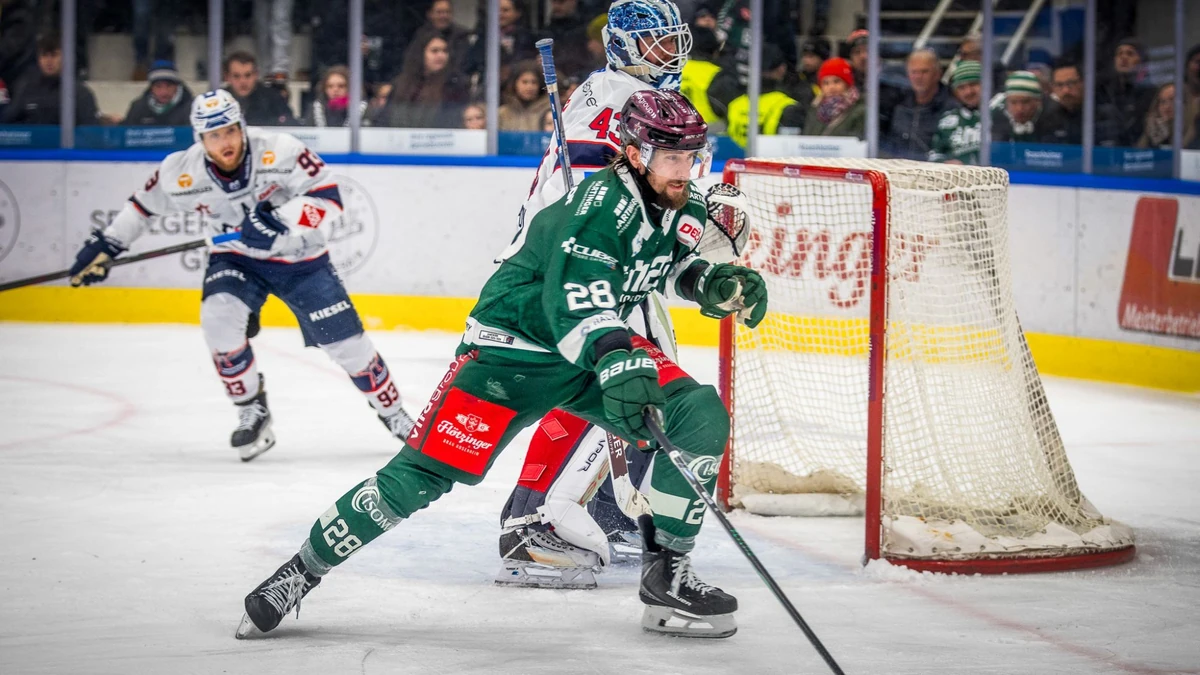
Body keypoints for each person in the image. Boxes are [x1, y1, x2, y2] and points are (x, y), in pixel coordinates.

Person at [236, 88, 767, 641]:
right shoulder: (598, 209)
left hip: (586, 346)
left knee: (697, 414)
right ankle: (297, 574)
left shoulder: (680, 203)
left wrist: (710, 281)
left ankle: (668, 579)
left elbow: (657, 263)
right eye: (670, 157)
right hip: (510, 353)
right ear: (634, 153)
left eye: (690, 157)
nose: (684, 170)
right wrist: (615, 359)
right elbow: (574, 297)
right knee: (418, 478)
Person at [67, 91, 416, 461]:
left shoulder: (280, 150)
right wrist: (106, 246)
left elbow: (330, 197)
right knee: (217, 321)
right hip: (237, 259)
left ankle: (393, 411)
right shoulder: (179, 171)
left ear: (242, 128)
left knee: (347, 344)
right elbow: (142, 207)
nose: (225, 142)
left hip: (301, 258)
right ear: (199, 139)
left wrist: (280, 222)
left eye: (231, 131)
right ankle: (252, 408)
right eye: (214, 136)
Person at [493, 0, 708, 589]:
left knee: (644, 386)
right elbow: (594, 197)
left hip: (596, 263)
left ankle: (607, 507)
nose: (673, 56)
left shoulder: (620, 95)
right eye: (658, 46)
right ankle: (533, 521)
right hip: (579, 268)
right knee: (618, 378)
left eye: (675, 42)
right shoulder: (616, 97)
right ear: (625, 48)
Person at [1, 33, 100, 126]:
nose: (48, 61)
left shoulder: (80, 93)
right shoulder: (26, 88)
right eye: (44, 55)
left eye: (54, 55)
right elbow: (8, 120)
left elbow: (90, 133)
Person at [375, 34, 469, 128]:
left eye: (445, 51)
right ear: (420, 54)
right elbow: (384, 118)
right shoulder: (402, 83)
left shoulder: (454, 84)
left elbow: (455, 120)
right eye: (434, 51)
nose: (441, 55)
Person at [881, 49, 958, 160]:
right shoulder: (899, 105)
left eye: (924, 72)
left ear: (938, 74)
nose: (918, 77)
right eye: (914, 72)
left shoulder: (951, 108)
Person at [725, 43, 805, 147]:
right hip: (768, 162)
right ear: (781, 69)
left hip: (736, 162)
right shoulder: (789, 107)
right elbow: (791, 151)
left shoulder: (734, 104)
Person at [1097, 38, 1156, 147]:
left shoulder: (1152, 94)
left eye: (1130, 54)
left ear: (1142, 61)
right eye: (1119, 54)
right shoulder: (1102, 90)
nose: (1123, 58)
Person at [222, 51, 298, 126]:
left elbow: (290, 126)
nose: (243, 81)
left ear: (256, 74)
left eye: (248, 75)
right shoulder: (220, 100)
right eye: (236, 76)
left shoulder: (273, 98)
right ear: (227, 77)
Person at [930, 60, 982, 164]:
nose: (968, 92)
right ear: (955, 92)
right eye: (961, 88)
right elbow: (934, 156)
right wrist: (946, 164)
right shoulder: (947, 120)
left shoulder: (998, 113)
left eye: (973, 84)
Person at [405, 0, 474, 77]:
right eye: (439, 12)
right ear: (430, 14)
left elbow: (461, 65)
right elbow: (412, 62)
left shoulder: (461, 36)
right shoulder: (421, 34)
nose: (443, 16)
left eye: (447, 12)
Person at [803, 56, 864, 138]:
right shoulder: (815, 108)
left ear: (847, 84)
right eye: (826, 83)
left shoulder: (860, 110)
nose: (831, 87)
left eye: (837, 81)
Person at [121, 60, 193, 127]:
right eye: (158, 86)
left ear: (177, 86)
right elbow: (127, 133)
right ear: (151, 88)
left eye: (169, 86)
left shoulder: (192, 108)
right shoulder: (138, 108)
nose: (164, 92)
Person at [678, 25, 721, 128]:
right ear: (715, 50)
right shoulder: (717, 73)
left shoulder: (671, 70)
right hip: (711, 133)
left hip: (672, 132)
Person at [497, 61, 550, 131]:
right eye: (524, 82)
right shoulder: (502, 114)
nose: (529, 87)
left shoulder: (549, 111)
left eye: (534, 82)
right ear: (514, 84)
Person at [992, 70, 1043, 143]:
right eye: (1013, 102)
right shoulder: (997, 118)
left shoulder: (1054, 118)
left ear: (1038, 101)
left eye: (1025, 102)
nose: (1019, 109)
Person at [1136, 83, 1176, 149]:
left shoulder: (1191, 131)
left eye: (1172, 100)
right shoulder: (1150, 128)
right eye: (1163, 102)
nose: (1167, 106)